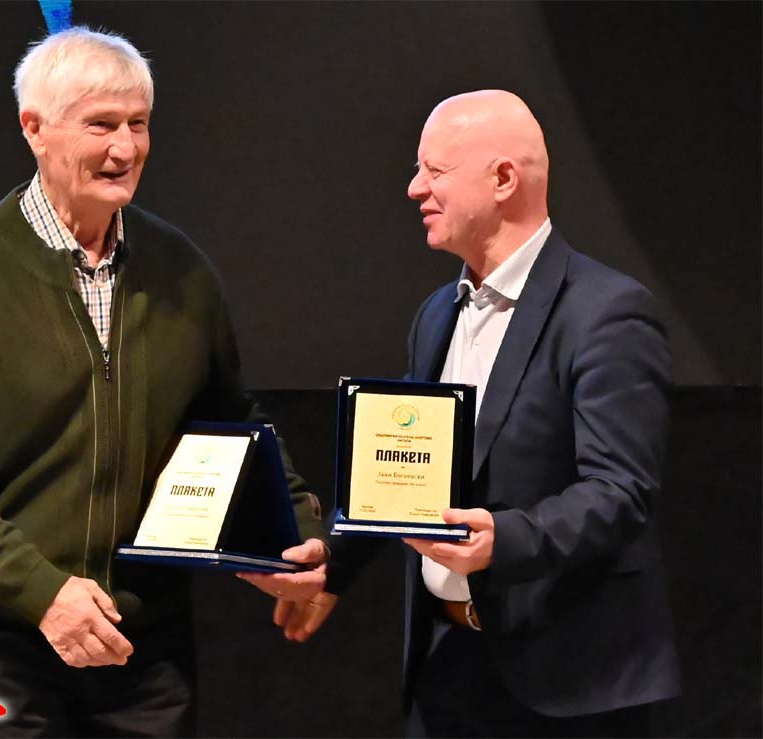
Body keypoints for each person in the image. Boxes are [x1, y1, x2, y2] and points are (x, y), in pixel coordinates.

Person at [0, 26, 325, 738]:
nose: (125, 148)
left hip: (142, 647)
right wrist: (42, 592)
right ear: (35, 129)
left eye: (138, 124)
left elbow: (229, 424)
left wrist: (294, 535)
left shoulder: (180, 268)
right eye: (101, 125)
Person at [274, 90, 681, 738]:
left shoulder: (606, 313)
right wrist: (334, 567)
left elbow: (620, 492)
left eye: (434, 170)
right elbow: (404, 476)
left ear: (503, 180)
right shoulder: (438, 313)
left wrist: (503, 540)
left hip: (569, 687)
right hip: (447, 670)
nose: (414, 188)